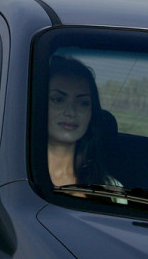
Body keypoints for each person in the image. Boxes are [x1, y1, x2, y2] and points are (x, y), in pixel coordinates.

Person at [47, 56, 120, 189]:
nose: (71, 112)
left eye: (83, 103)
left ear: (91, 113)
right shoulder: (5, 173)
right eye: (58, 99)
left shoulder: (110, 189)